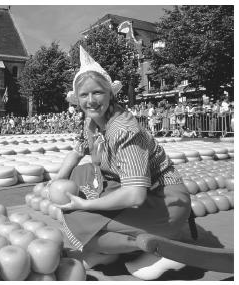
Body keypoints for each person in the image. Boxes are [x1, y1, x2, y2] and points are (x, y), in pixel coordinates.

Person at [56, 46, 191, 276]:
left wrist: (85, 205)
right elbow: (78, 152)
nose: (91, 100)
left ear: (110, 93)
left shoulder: (122, 130)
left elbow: (135, 195)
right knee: (80, 178)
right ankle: (114, 248)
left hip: (163, 200)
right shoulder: (91, 122)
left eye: (97, 92)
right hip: (134, 191)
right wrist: (56, 183)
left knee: (79, 219)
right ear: (77, 100)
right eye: (84, 95)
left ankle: (164, 247)